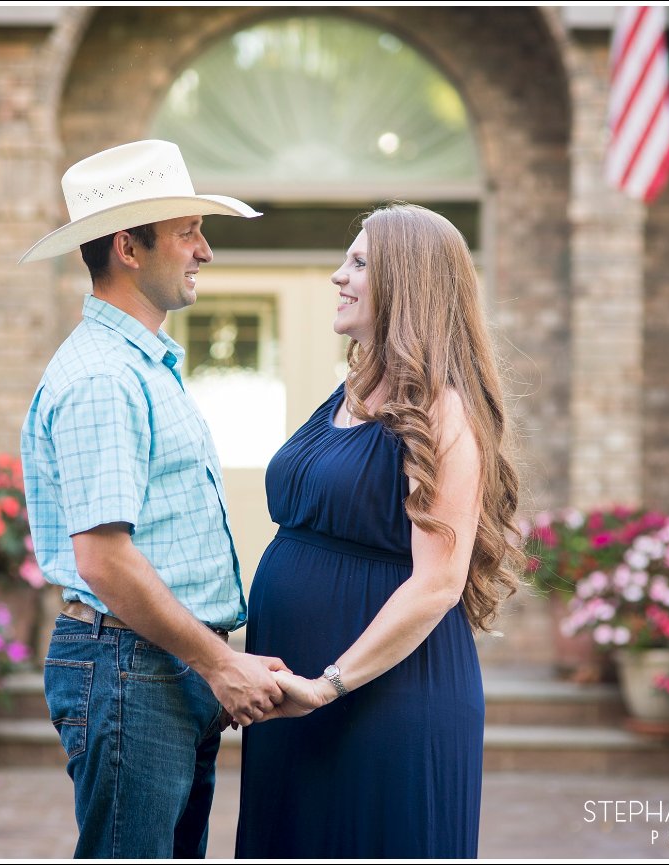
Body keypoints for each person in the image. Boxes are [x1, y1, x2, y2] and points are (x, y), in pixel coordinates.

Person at [18, 139, 287, 859]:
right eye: (187, 232)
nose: (204, 251)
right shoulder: (105, 377)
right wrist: (219, 662)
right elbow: (104, 562)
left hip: (157, 663)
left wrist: (207, 662)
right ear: (128, 248)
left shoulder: (144, 364)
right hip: (130, 664)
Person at [235, 203, 524, 859]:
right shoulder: (348, 390)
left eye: (359, 262)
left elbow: (437, 584)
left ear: (408, 283)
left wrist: (327, 684)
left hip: (384, 698)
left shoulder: (443, 411)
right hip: (296, 702)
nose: (339, 275)